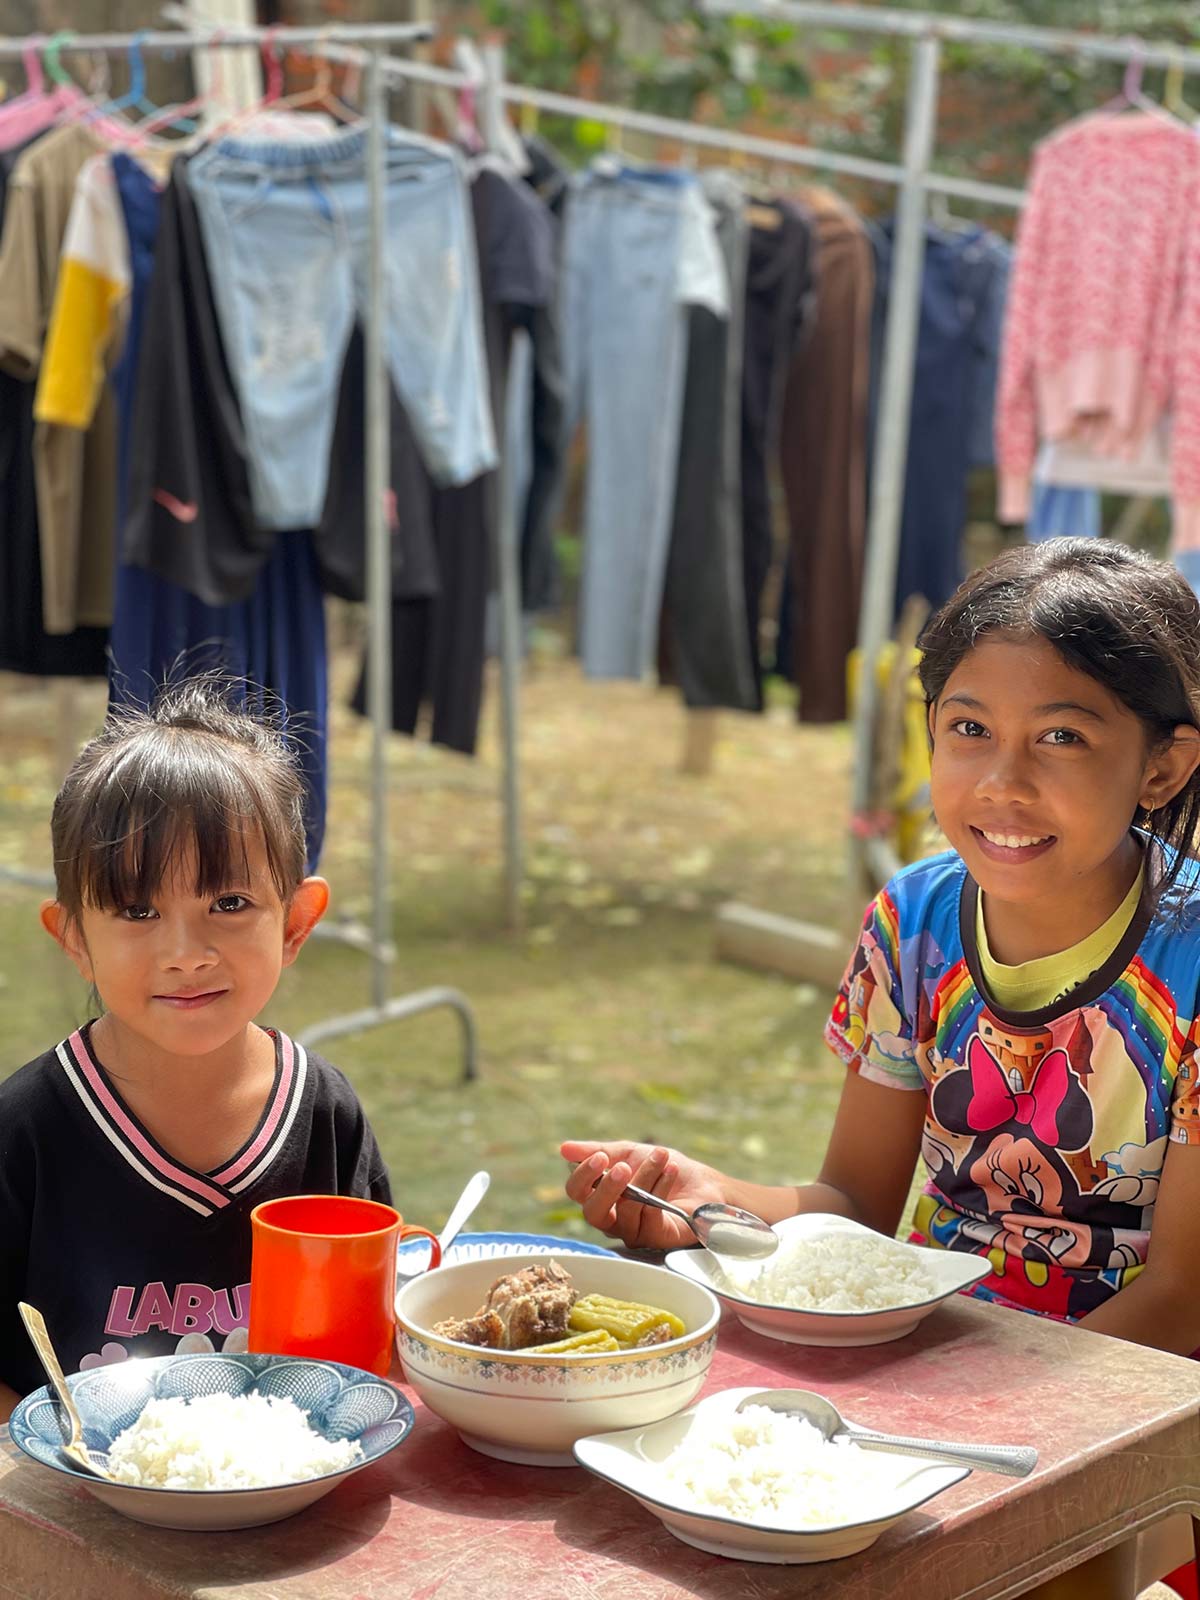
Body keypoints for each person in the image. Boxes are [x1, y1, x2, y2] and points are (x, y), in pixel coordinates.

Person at [563, 539, 1200, 1600]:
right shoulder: (914, 922)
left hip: (1139, 1394)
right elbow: (854, 1203)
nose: (1003, 781)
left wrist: (955, 1429)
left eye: (1062, 736)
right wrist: (709, 1200)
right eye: (967, 729)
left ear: (1164, 766)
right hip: (932, 1374)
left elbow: (1184, 1299)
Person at [0, 677, 391, 1422]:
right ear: (74, 937)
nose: (186, 953)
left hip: (292, 1511)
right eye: (138, 910)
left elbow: (371, 1348)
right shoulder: (23, 1133)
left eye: (230, 904)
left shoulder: (326, 1113)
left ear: (297, 923)